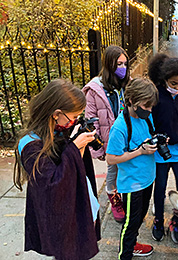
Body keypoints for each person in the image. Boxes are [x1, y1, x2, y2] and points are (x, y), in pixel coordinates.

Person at [14, 79, 100, 260]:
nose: (75, 121)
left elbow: (75, 166)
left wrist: (79, 144)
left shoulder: (59, 130)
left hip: (77, 204)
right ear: (56, 114)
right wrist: (75, 148)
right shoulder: (30, 145)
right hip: (60, 215)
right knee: (68, 251)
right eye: (73, 117)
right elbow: (52, 184)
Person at [106, 78, 159, 260]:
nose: (150, 110)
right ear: (131, 101)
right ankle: (125, 254)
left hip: (147, 179)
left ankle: (133, 245)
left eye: (151, 106)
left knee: (139, 217)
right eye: (146, 105)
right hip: (132, 185)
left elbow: (149, 135)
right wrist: (139, 151)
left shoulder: (146, 117)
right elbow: (111, 158)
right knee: (130, 223)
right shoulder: (120, 127)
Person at [148, 54, 178, 244]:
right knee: (159, 187)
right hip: (160, 152)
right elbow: (150, 122)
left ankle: (177, 221)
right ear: (164, 79)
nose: (177, 87)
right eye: (173, 83)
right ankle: (158, 220)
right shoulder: (157, 95)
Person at [83, 45, 130, 222]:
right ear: (109, 64)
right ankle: (113, 197)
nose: (123, 68)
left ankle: (126, 194)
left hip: (128, 136)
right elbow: (91, 121)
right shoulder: (95, 89)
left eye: (125, 64)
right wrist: (99, 148)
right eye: (118, 64)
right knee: (113, 170)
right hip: (110, 139)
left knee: (127, 167)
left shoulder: (128, 83)